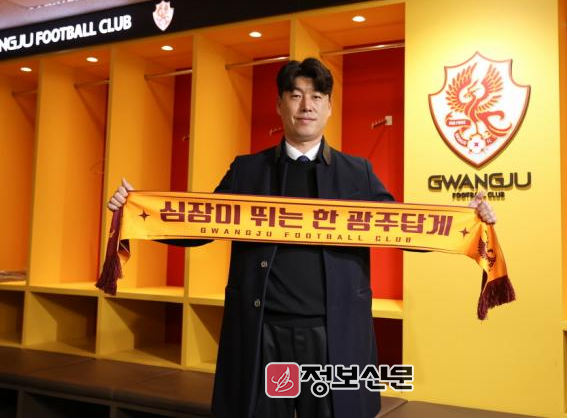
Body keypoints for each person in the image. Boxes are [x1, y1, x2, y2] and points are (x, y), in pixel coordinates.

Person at [107, 58, 496, 418]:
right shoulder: (247, 171)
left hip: (331, 335)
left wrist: (468, 219)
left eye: (316, 97)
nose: (306, 105)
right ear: (280, 105)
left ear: (329, 107)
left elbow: (402, 228)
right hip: (263, 333)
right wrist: (135, 211)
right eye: (295, 96)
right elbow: (199, 226)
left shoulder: (356, 173)